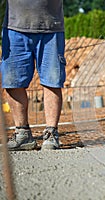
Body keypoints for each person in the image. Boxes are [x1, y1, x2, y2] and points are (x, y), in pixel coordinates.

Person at [1, 0, 66, 150]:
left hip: (51, 28)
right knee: (12, 82)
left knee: (52, 81)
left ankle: (51, 133)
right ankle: (22, 133)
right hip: (14, 28)